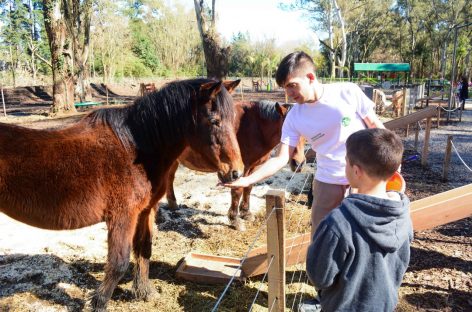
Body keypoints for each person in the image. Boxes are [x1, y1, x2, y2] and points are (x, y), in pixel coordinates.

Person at [223, 51, 385, 238]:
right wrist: (248, 179)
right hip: (328, 181)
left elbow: (376, 127)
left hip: (365, 177)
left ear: (310, 77)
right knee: (322, 236)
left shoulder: (347, 91)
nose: (288, 94)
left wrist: (391, 161)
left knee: (363, 235)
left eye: (292, 86)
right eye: (285, 88)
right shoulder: (294, 117)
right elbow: (281, 158)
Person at [304, 128, 413, 312]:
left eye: (345, 162)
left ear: (356, 171)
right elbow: (400, 266)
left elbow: (320, 277)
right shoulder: (403, 216)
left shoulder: (338, 223)